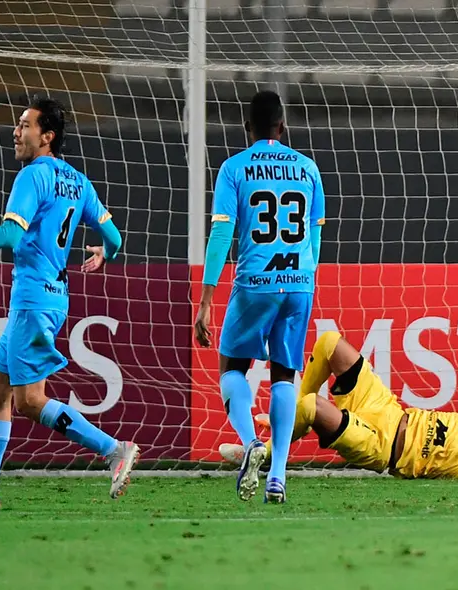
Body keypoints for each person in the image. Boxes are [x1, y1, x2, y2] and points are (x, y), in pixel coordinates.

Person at [0, 96, 137, 510]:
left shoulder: (32, 177)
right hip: (52, 298)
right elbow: (114, 238)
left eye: (25, 125)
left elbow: (10, 238)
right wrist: (105, 255)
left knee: (28, 400)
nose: (16, 130)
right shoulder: (79, 181)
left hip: (32, 299)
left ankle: (113, 449)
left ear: (46, 137)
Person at [219, 331, 458, 480]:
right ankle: (285, 419)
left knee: (312, 408)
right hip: (388, 408)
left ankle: (262, 455)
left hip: (381, 445)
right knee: (330, 343)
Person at [194, 90, 325, 504]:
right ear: (282, 127)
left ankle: (251, 442)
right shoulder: (307, 168)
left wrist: (207, 298)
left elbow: (220, 233)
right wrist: (306, 278)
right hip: (299, 282)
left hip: (256, 282)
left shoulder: (234, 168)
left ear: (247, 128)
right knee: (285, 374)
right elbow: (315, 233)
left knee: (232, 365)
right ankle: (279, 475)